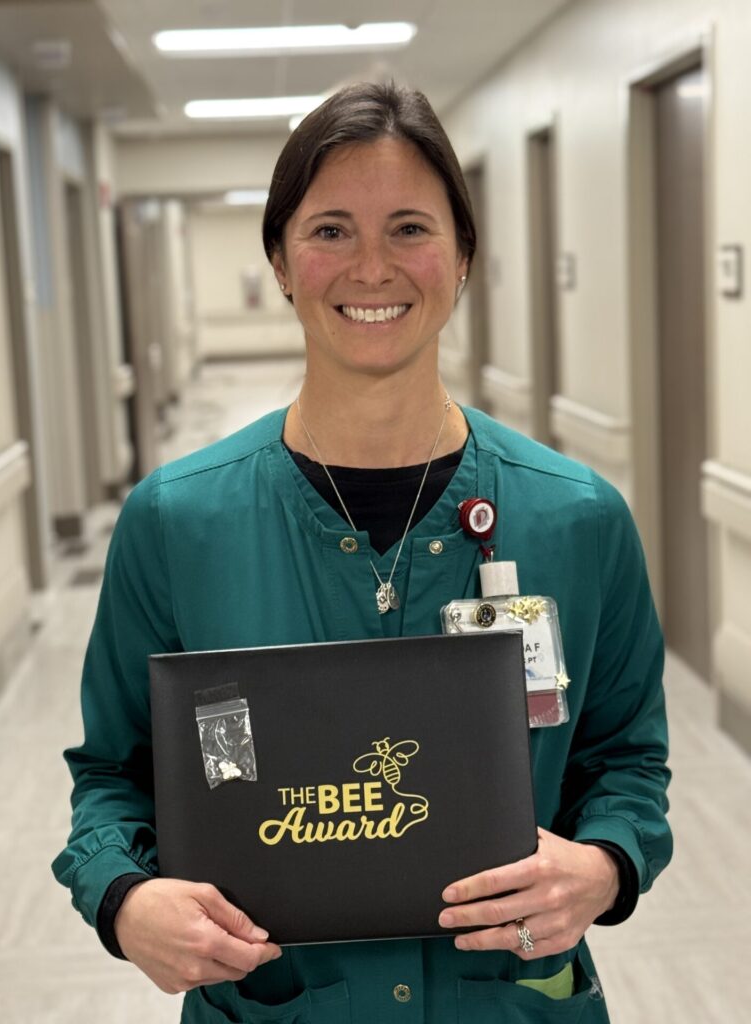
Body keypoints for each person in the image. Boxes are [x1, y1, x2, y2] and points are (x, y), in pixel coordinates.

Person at [53, 81, 671, 1022]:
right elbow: (111, 774)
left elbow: (626, 760)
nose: (372, 267)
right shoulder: (179, 523)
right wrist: (124, 899)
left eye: (410, 229)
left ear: (463, 257)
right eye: (331, 230)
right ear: (280, 261)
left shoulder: (576, 518)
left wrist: (605, 865)